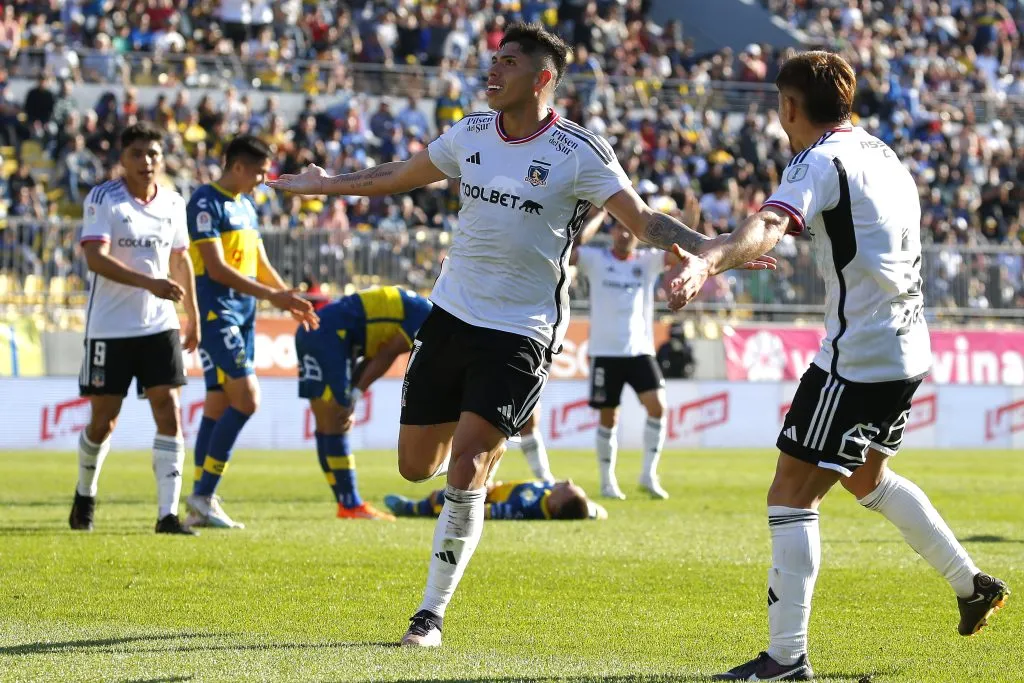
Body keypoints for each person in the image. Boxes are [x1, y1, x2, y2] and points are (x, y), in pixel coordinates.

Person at [269, 22, 773, 648]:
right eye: (493, 60)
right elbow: (400, 174)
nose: (493, 71)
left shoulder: (579, 151)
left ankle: (429, 615)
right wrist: (325, 183)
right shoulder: (471, 133)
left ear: (540, 79)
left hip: (520, 332)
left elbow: (642, 221)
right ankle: (480, 436)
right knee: (412, 468)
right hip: (450, 317)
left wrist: (714, 250)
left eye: (507, 63)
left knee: (467, 468)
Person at [667, 51, 1010, 681]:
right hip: (907, 346)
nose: (779, 121)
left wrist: (715, 261)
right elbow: (840, 227)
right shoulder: (879, 153)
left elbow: (772, 220)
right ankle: (972, 583)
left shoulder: (816, 159)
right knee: (867, 477)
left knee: (790, 493)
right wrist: (735, 246)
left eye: (779, 108)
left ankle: (786, 658)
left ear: (791, 107)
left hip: (857, 357)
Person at [69, 122, 199, 536]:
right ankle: (85, 494)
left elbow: (181, 261)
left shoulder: (174, 203)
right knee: (103, 420)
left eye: (153, 155)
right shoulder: (104, 199)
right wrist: (152, 284)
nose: (146, 162)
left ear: (163, 159)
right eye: (138, 154)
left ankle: (167, 515)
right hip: (110, 327)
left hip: (158, 326)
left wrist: (192, 315)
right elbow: (95, 259)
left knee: (169, 410)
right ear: (122, 159)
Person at [184, 135, 318, 530]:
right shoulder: (205, 202)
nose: (264, 179)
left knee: (218, 403)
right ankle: (205, 493)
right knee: (247, 400)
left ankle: (198, 505)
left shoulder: (245, 205)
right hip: (217, 312)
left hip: (243, 314)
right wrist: (274, 296)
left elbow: (258, 262)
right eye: (260, 171)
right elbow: (217, 269)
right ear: (238, 166)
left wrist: (287, 297)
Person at [571, 206, 682, 500]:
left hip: (639, 351)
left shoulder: (646, 262)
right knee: (609, 418)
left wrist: (687, 226)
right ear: (611, 233)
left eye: (628, 230)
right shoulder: (596, 260)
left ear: (636, 236)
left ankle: (648, 474)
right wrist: (596, 216)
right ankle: (607, 482)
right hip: (605, 353)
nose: (623, 234)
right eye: (618, 229)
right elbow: (570, 250)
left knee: (658, 407)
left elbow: (677, 254)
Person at [296, 285, 432, 521]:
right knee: (337, 421)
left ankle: (344, 502)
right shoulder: (428, 318)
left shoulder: (417, 307)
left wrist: (352, 392)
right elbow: (386, 355)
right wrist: (355, 395)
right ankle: (351, 504)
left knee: (325, 424)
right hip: (330, 335)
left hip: (312, 331)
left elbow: (373, 356)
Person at [384, 478, 607, 521]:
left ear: (557, 506)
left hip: (483, 492)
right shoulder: (551, 496)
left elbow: (486, 512)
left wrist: (485, 491)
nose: (568, 482)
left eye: (570, 490)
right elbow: (598, 512)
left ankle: (413, 509)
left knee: (440, 497)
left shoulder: (526, 508)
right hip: (493, 484)